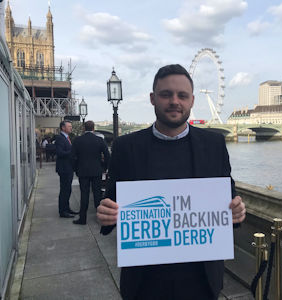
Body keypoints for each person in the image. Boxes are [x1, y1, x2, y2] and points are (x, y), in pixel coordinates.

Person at [97, 64, 246, 300]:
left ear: (192, 101)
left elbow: (228, 199)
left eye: (182, 95)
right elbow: (112, 203)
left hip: (202, 281)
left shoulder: (214, 144)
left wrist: (237, 212)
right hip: (145, 282)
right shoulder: (126, 147)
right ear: (152, 99)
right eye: (166, 94)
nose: (175, 101)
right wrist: (106, 215)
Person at [71, 120, 110, 225]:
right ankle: (100, 218)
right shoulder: (99, 140)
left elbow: (72, 157)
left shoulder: (78, 140)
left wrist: (76, 169)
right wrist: (104, 168)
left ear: (84, 128)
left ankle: (82, 218)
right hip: (97, 171)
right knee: (97, 195)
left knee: (84, 194)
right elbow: (107, 155)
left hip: (83, 171)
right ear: (93, 128)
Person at [55, 120, 77, 218]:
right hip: (64, 168)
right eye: (69, 126)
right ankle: (62, 211)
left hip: (68, 167)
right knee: (64, 189)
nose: (71, 128)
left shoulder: (67, 138)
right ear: (63, 128)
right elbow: (59, 153)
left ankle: (67, 208)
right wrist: (72, 152)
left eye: (71, 126)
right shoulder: (60, 138)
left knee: (68, 189)